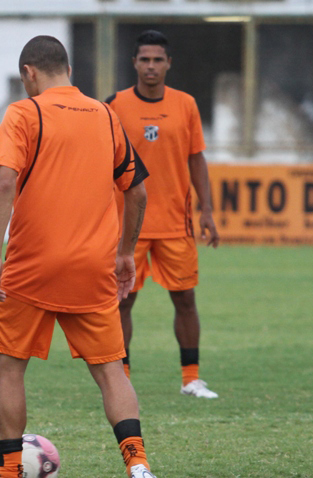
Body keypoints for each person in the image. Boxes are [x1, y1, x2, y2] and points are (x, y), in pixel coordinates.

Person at [0, 35, 171, 478]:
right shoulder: (106, 116)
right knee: (111, 371)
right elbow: (138, 193)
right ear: (67, 68)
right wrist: (125, 254)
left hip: (32, 267)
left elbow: (4, 184)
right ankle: (139, 464)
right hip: (93, 267)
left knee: (8, 367)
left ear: (29, 73)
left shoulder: (25, 113)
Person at [106, 30, 220, 398]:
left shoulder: (186, 104)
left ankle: (191, 378)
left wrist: (208, 210)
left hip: (175, 222)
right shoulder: (115, 105)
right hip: (128, 226)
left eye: (158, 59)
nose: (151, 66)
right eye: (145, 59)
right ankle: (121, 377)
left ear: (168, 63)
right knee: (123, 300)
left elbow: (196, 157)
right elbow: (100, 162)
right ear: (134, 63)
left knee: (185, 299)